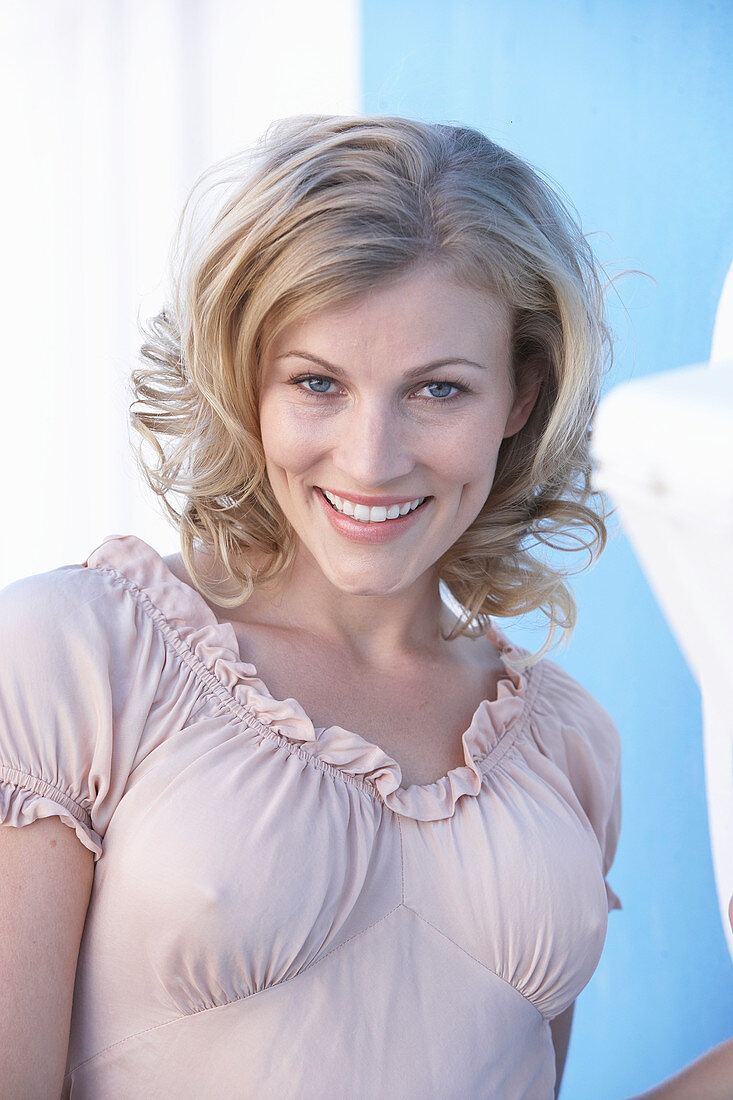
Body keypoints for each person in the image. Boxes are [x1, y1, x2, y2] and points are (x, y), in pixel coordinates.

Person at [1, 115, 622, 1099]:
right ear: (245, 381)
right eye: (318, 382)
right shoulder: (72, 659)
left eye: (438, 389)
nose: (371, 458)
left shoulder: (565, 747)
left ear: (519, 396)